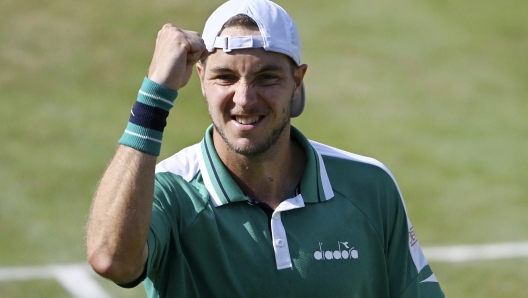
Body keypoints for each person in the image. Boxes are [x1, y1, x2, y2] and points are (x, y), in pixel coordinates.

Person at [86, 0, 444, 297]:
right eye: (224, 77)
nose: (244, 99)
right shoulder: (169, 191)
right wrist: (154, 94)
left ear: (297, 82)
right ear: (200, 80)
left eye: (266, 78)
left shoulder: (369, 186)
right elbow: (112, 259)